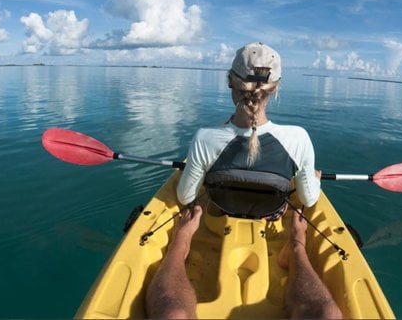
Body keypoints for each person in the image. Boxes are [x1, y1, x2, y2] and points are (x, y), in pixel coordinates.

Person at [145, 42, 342, 319]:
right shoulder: (298, 139)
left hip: (217, 216)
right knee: (328, 314)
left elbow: (186, 197)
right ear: (276, 88)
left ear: (230, 83)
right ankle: (296, 246)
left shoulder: (205, 137)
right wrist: (314, 178)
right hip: (272, 220)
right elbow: (309, 199)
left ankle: (182, 241)